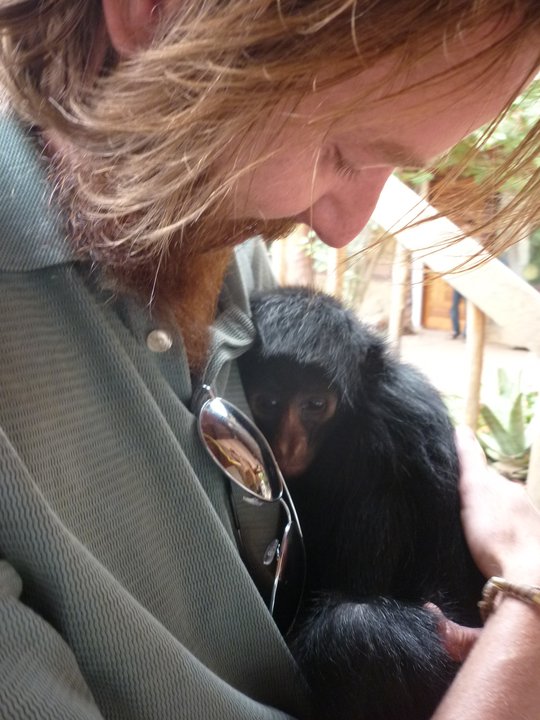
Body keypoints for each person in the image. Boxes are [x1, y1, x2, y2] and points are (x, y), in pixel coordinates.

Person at [0, 1, 539, 719]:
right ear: (157, 14)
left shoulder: (209, 230)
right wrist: (527, 614)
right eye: (342, 152)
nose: (344, 229)